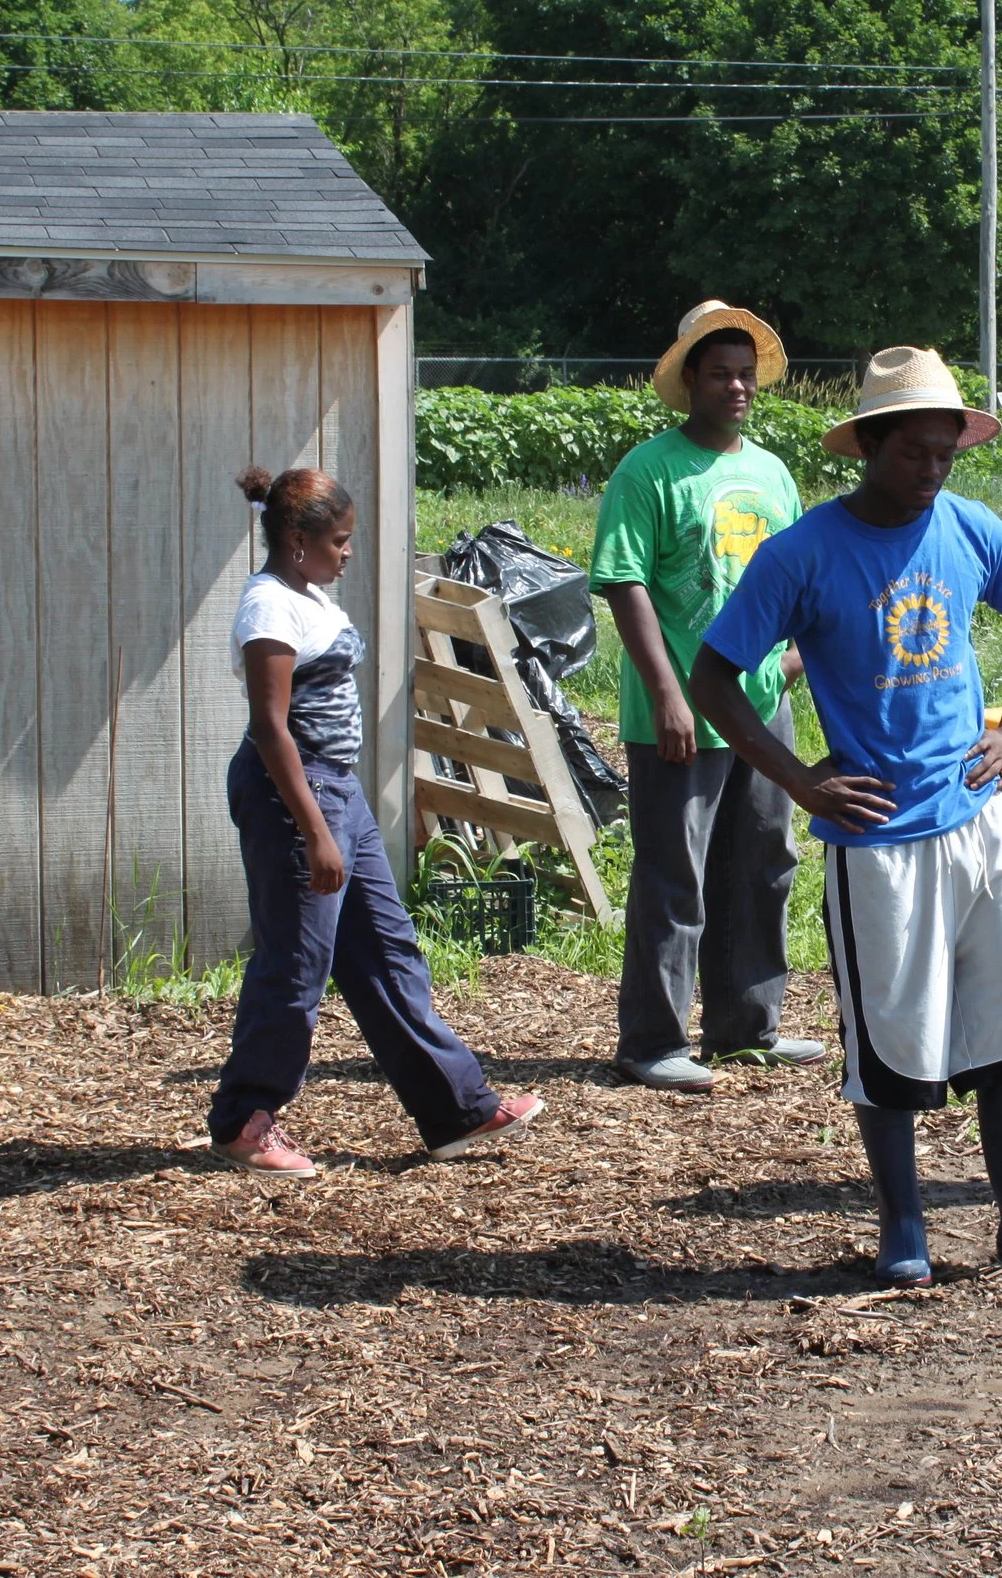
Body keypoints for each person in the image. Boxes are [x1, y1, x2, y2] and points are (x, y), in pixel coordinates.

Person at [689, 347, 1002, 1286]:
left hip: (978, 819)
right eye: (914, 451)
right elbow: (714, 674)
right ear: (870, 446)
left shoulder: (970, 528)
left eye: (946, 452)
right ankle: (903, 1228)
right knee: (890, 1040)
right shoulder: (801, 554)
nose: (932, 468)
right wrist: (798, 778)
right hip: (878, 841)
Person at [208, 465, 543, 1177]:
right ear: (297, 541)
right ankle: (244, 1120)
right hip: (292, 795)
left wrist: (338, 818)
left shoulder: (306, 594)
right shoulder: (268, 608)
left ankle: (458, 1110)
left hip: (338, 792)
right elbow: (271, 730)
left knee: (388, 953)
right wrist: (315, 832)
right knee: (296, 963)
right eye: (337, 540)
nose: (348, 552)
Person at [591, 300, 824, 1092]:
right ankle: (652, 1038)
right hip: (681, 712)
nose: (736, 387)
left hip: (760, 706)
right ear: (688, 379)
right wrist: (666, 691)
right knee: (673, 873)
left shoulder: (770, 473)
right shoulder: (647, 470)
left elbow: (799, 577)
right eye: (720, 373)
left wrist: (792, 663)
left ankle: (745, 1026)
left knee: (763, 861)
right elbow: (624, 582)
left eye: (745, 375)